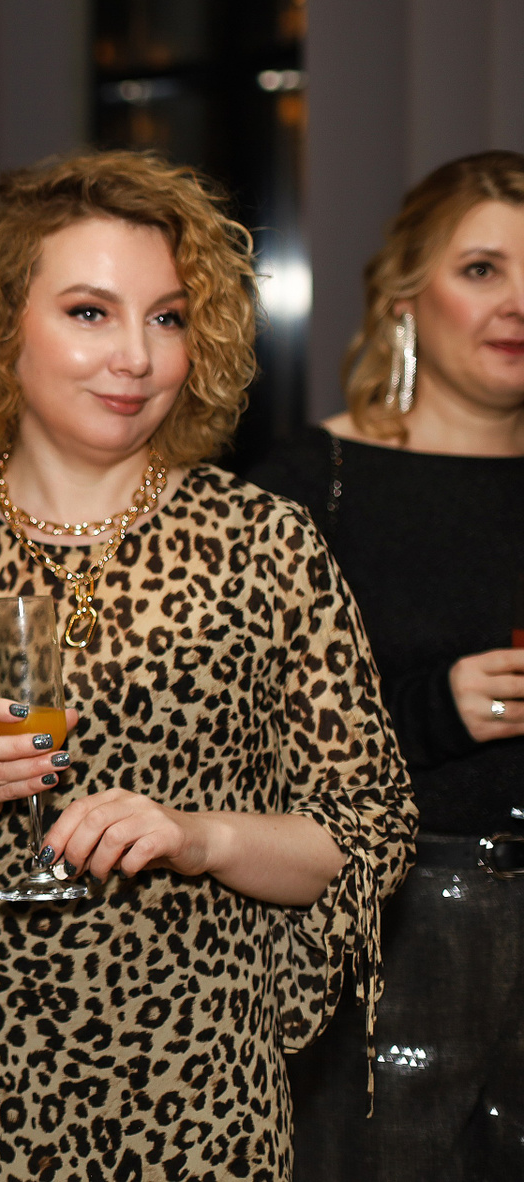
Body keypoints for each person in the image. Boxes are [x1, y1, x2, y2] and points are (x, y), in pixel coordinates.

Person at [0, 150, 416, 1180]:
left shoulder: (264, 545)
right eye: (91, 312)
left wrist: (198, 836)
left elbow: (364, 830)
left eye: (167, 318)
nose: (136, 356)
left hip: (199, 1100)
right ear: (3, 332)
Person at [245, 149, 524, 1180]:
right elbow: (239, 744)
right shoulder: (309, 486)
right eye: (483, 269)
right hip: (390, 939)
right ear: (406, 294)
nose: (519, 303)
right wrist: (436, 709)